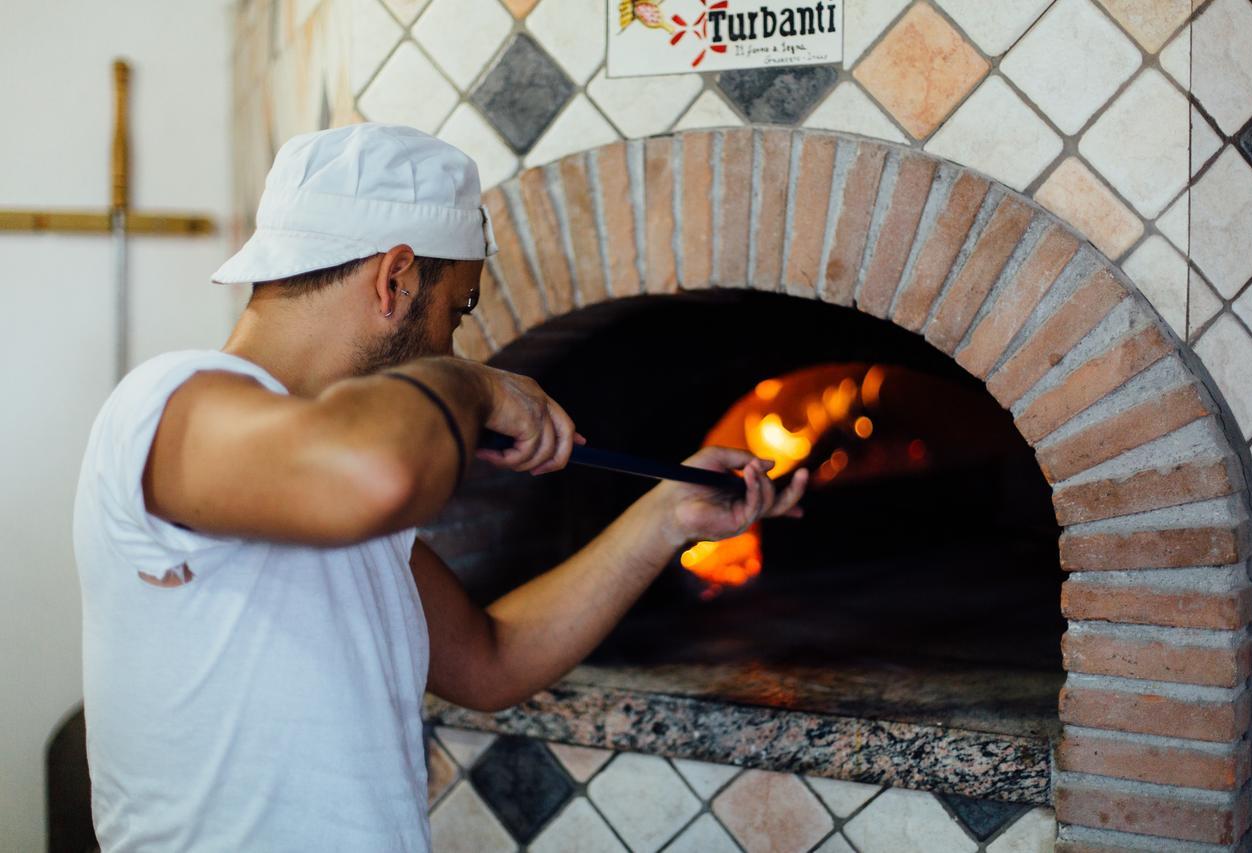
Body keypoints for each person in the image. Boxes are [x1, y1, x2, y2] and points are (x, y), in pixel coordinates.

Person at [71, 123, 808, 852]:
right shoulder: (164, 405)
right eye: (458, 312)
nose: (457, 344)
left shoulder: (323, 473)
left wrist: (667, 516)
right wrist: (473, 385)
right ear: (394, 279)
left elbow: (490, 658)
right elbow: (374, 470)